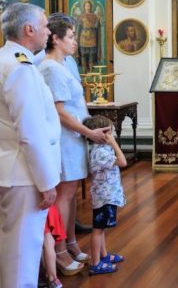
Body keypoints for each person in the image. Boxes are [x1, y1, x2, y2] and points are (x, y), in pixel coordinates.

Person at [38, 17, 110, 275]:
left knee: (70, 195)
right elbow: (60, 112)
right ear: (55, 39)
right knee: (64, 196)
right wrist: (89, 132)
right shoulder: (51, 68)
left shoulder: (62, 65)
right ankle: (59, 250)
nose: (75, 41)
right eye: (70, 36)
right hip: (65, 139)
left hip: (74, 137)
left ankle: (70, 243)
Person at [0, 3, 61, 288]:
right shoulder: (20, 68)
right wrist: (46, 182)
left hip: (10, 168)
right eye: (45, 25)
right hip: (24, 174)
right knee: (22, 258)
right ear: (29, 29)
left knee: (11, 249)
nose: (48, 31)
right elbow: (30, 132)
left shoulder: (7, 59)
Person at [82, 115, 126, 275]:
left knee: (101, 229)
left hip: (105, 195)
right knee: (98, 230)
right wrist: (114, 144)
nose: (112, 136)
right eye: (110, 133)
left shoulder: (101, 150)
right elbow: (123, 162)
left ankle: (103, 255)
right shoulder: (100, 152)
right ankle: (95, 263)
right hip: (104, 197)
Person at [42, 204, 80, 287]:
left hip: (35, 208)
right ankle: (53, 278)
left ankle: (51, 277)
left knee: (47, 240)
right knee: (49, 241)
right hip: (48, 206)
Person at [76, 0, 101, 72]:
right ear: (84, 7)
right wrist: (77, 36)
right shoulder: (81, 16)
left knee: (91, 55)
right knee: (83, 55)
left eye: (88, 5)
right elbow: (79, 27)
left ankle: (91, 72)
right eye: (86, 5)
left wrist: (98, 21)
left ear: (91, 7)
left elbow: (96, 27)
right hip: (83, 38)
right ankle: (84, 71)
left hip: (92, 37)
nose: (87, 7)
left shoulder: (94, 16)